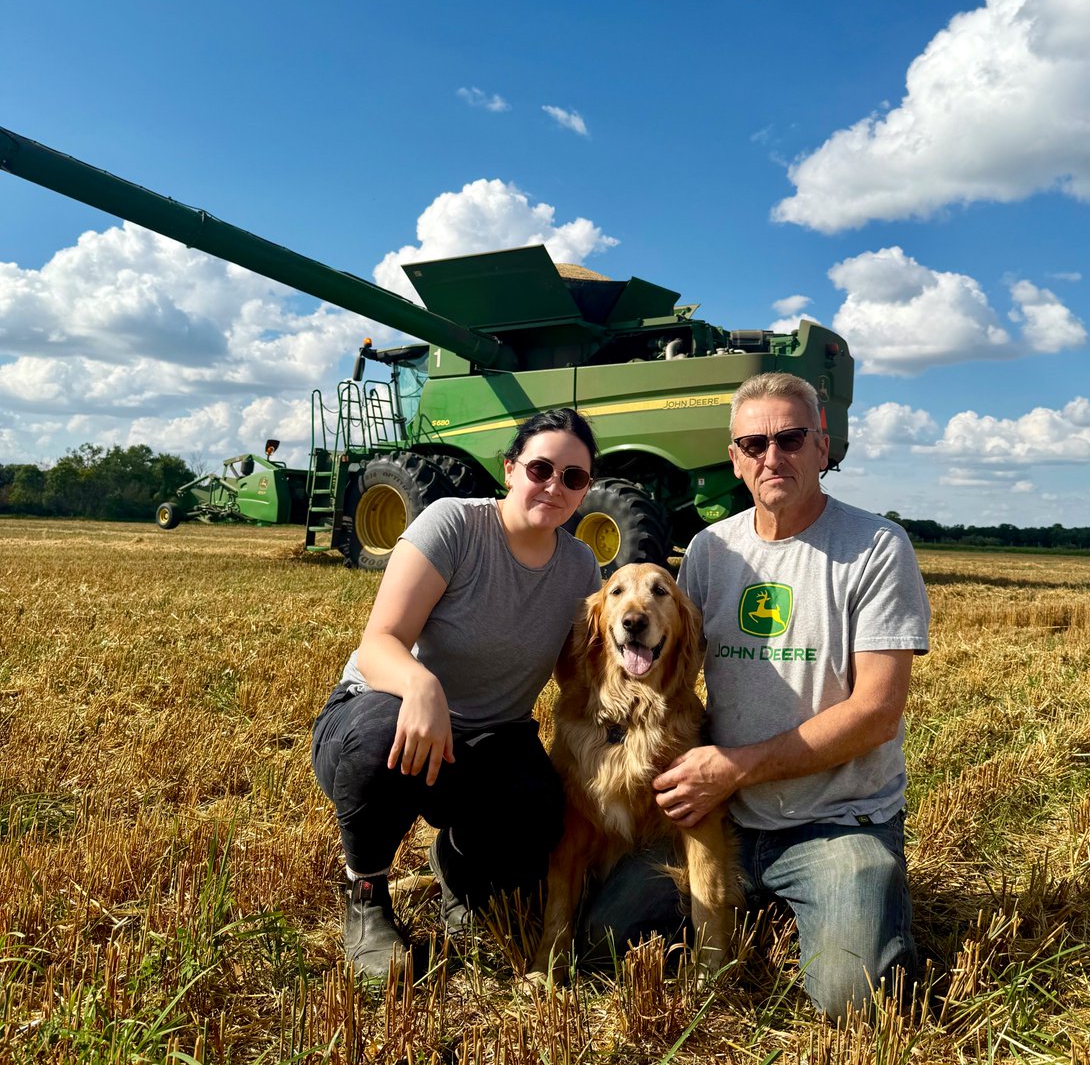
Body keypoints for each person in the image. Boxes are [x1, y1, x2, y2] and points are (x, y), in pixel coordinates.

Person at [583, 372, 929, 1017]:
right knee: (601, 943)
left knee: (852, 1002)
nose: (774, 456)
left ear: (823, 448)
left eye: (792, 438)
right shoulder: (714, 550)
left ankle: (855, 904)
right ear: (735, 458)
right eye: (754, 443)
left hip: (834, 821)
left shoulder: (877, 548)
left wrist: (734, 766)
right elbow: (667, 666)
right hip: (719, 815)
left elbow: (878, 713)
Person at [311, 409, 601, 979]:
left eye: (574, 478)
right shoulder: (455, 524)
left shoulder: (580, 566)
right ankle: (365, 894)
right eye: (541, 468)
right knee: (378, 739)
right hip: (385, 715)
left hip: (489, 744)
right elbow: (378, 644)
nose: (555, 486)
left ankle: (461, 871)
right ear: (511, 468)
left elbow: (582, 675)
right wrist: (421, 686)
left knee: (544, 804)